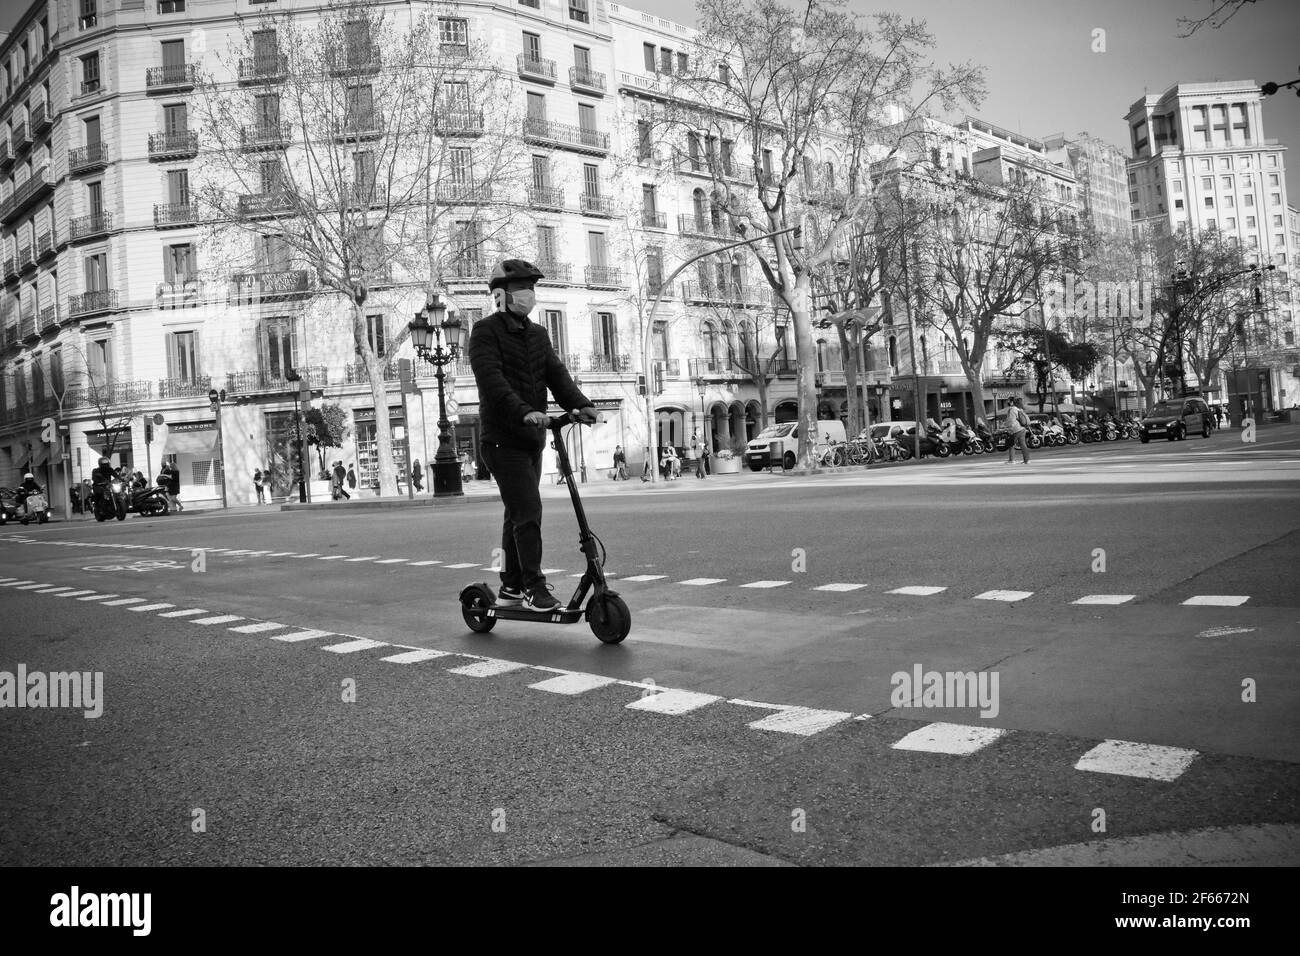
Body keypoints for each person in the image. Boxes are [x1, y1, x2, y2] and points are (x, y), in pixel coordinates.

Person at [468, 258, 597, 613]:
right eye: (520, 288)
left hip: (531, 441)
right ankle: (533, 587)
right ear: (500, 294)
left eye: (531, 288)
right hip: (501, 440)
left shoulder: (538, 334)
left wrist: (581, 404)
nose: (528, 294)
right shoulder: (484, 332)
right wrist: (524, 411)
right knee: (528, 510)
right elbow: (492, 382)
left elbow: (556, 374)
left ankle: (509, 585)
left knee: (516, 512)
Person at [1004, 397, 1031, 464]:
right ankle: (1027, 460)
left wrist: (1007, 427)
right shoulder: (1020, 409)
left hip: (1015, 429)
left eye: (1009, 401)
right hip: (1022, 428)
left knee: (1011, 444)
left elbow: (1011, 420)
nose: (1007, 402)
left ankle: (1011, 460)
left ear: (1012, 402)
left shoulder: (1012, 409)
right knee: (1023, 444)